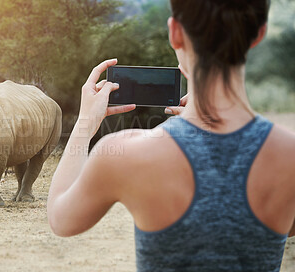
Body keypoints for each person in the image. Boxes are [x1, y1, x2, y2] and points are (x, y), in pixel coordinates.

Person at [47, 0, 295, 271]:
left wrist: (85, 124)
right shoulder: (289, 154)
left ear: (175, 32)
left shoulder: (128, 154)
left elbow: (61, 219)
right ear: (259, 33)